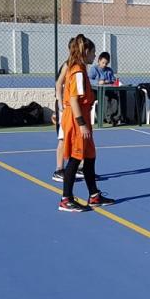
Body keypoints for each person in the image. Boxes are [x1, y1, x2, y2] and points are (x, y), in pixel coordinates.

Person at [58, 35, 115, 213]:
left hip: (83, 118)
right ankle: (66, 199)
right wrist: (81, 124)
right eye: (93, 52)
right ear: (86, 52)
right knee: (76, 158)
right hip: (77, 120)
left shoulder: (80, 69)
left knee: (90, 156)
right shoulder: (77, 72)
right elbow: (74, 100)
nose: (95, 56)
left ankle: (94, 195)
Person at [89, 51, 124, 125]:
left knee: (117, 95)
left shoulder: (109, 70)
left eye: (106, 63)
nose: (104, 65)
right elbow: (88, 80)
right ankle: (108, 118)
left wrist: (112, 81)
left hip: (109, 90)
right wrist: (98, 82)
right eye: (103, 63)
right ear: (99, 60)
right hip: (96, 92)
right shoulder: (93, 69)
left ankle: (117, 118)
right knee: (105, 96)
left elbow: (113, 80)